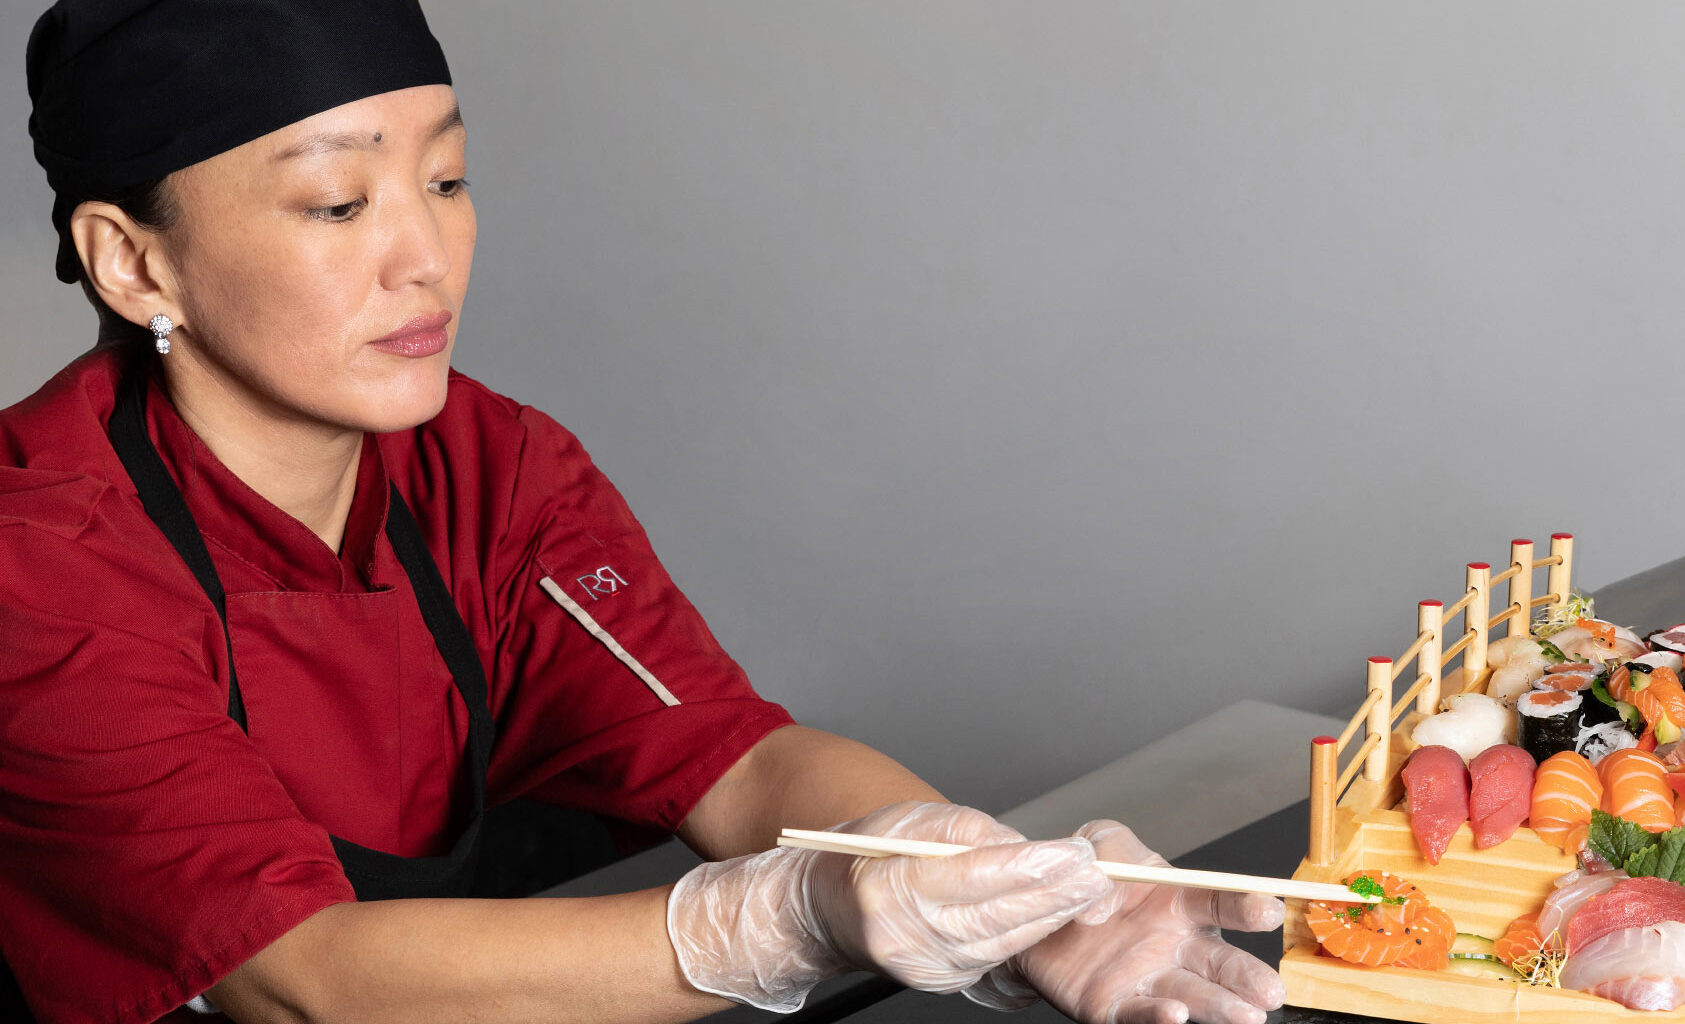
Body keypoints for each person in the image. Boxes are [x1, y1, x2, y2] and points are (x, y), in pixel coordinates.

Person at [0, 3, 1291, 1023]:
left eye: (445, 181)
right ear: (135, 259)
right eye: (339, 204)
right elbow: (303, 980)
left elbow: (732, 756)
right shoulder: (36, 557)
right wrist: (786, 923)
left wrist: (969, 872)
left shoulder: (495, 465)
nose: (425, 258)